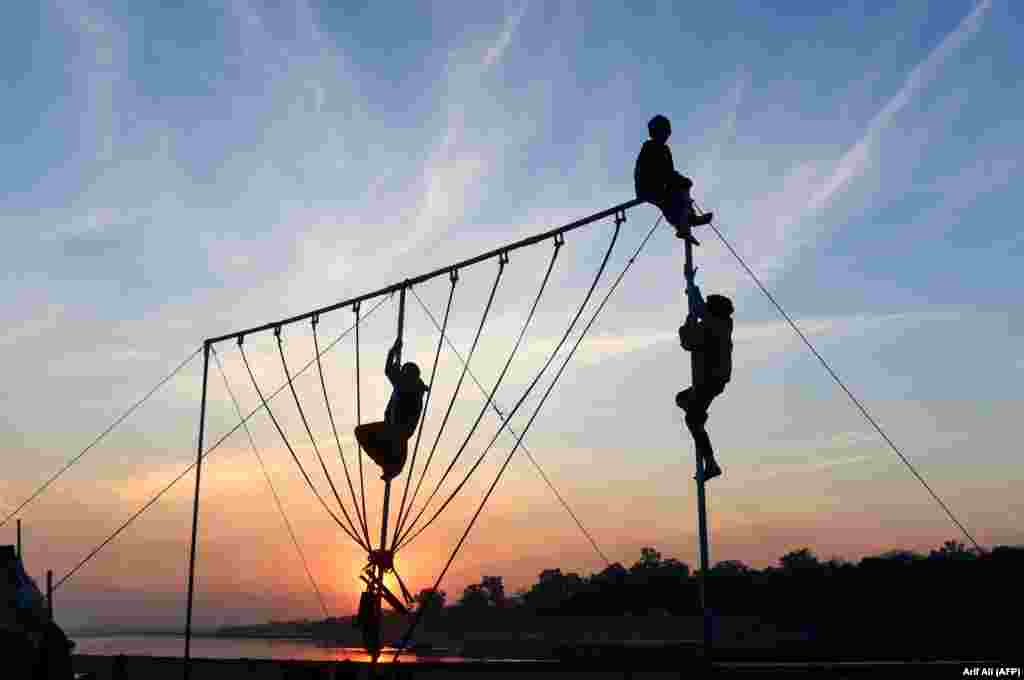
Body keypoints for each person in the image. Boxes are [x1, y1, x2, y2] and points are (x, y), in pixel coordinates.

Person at [676, 261, 733, 481]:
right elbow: (700, 307)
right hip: (713, 381)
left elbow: (689, 341)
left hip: (708, 381)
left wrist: (687, 323)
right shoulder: (721, 323)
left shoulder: (712, 327)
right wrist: (690, 283)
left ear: (714, 311)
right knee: (682, 399)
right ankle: (699, 416)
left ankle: (711, 463)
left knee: (692, 421)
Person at [634, 114, 714, 246]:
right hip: (647, 185)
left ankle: (688, 220)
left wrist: (682, 180)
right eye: (664, 131)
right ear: (655, 132)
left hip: (661, 183)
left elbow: (669, 171)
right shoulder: (649, 147)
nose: (666, 135)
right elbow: (654, 171)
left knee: (679, 193)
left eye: (667, 132)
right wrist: (674, 181)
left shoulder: (665, 149)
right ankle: (683, 225)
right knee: (670, 199)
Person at [354, 340, 428, 481]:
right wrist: (393, 355)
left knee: (362, 432)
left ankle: (388, 465)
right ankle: (388, 466)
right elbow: (391, 372)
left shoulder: (407, 386)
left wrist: (392, 351)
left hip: (395, 431)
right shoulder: (413, 387)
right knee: (367, 435)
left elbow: (389, 370)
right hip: (397, 435)